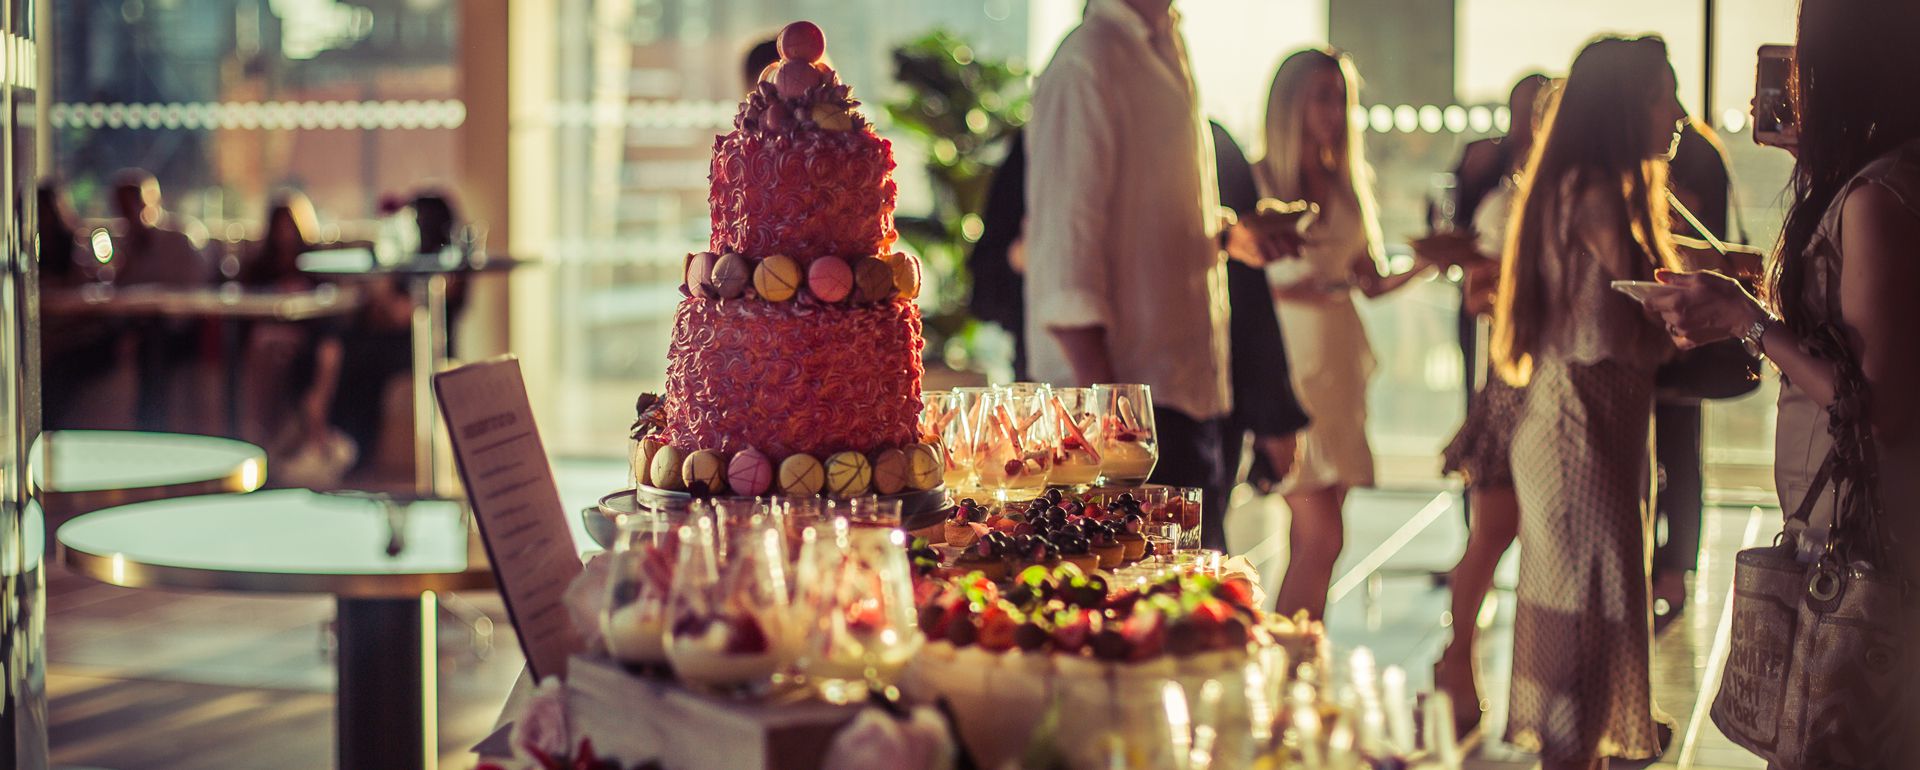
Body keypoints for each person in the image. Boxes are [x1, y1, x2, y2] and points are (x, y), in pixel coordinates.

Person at [1650, 1, 1920, 601]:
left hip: (1857, 537)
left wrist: (1747, 321)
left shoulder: (1875, 198)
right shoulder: (1879, 180)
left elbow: (1875, 409)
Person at [1491, 35, 1684, 769]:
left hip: (1587, 421)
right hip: (1580, 425)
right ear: (1628, 104)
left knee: (1585, 617)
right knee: (1585, 623)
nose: (1678, 113)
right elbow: (1653, 296)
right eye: (1665, 94)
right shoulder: (1600, 193)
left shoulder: (1580, 183)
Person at [1024, 0, 1248, 554]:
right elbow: (1064, 258)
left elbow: (1148, 224)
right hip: (1122, 421)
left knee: (1193, 618)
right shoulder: (1089, 59)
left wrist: (1227, 235)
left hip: (1183, 397)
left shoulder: (1166, 44)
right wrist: (1109, 432)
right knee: (1134, 619)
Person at [1257, 48, 1434, 619]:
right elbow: (1233, 282)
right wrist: (1297, 292)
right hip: (1289, 368)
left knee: (1319, 539)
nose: (1334, 111)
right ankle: (1290, 664)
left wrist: (1428, 260)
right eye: (1322, 97)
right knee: (1322, 534)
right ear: (1291, 104)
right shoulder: (1259, 180)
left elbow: (1367, 281)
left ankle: (1299, 660)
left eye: (1341, 98)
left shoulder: (1344, 184)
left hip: (1339, 367)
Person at [1417, 73, 1551, 739]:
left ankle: (1465, 666)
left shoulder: (1551, 196)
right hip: (1515, 387)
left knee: (1510, 536)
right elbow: (1477, 295)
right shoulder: (1509, 199)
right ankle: (1457, 663)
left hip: (1539, 384)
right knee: (1495, 532)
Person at [1648, 112, 1738, 629]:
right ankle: (1675, 569)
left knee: (1678, 452)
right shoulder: (1702, 148)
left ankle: (1674, 570)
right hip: (1679, 325)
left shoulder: (1690, 154)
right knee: (1681, 452)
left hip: (1681, 325)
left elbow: (1700, 233)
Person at [238, 192, 354, 486]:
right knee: (268, 348)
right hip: (271, 339)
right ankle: (263, 439)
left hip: (311, 338)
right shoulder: (260, 267)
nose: (285, 233)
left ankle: (306, 438)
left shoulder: (319, 264)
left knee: (322, 354)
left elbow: (330, 318)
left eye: (290, 225)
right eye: (280, 226)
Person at [109, 169, 209, 431]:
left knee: (152, 344)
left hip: (179, 330)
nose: (130, 212)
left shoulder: (180, 237)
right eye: (123, 206)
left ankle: (150, 427)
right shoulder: (124, 244)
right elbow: (116, 291)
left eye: (135, 203)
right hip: (136, 327)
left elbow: (194, 293)